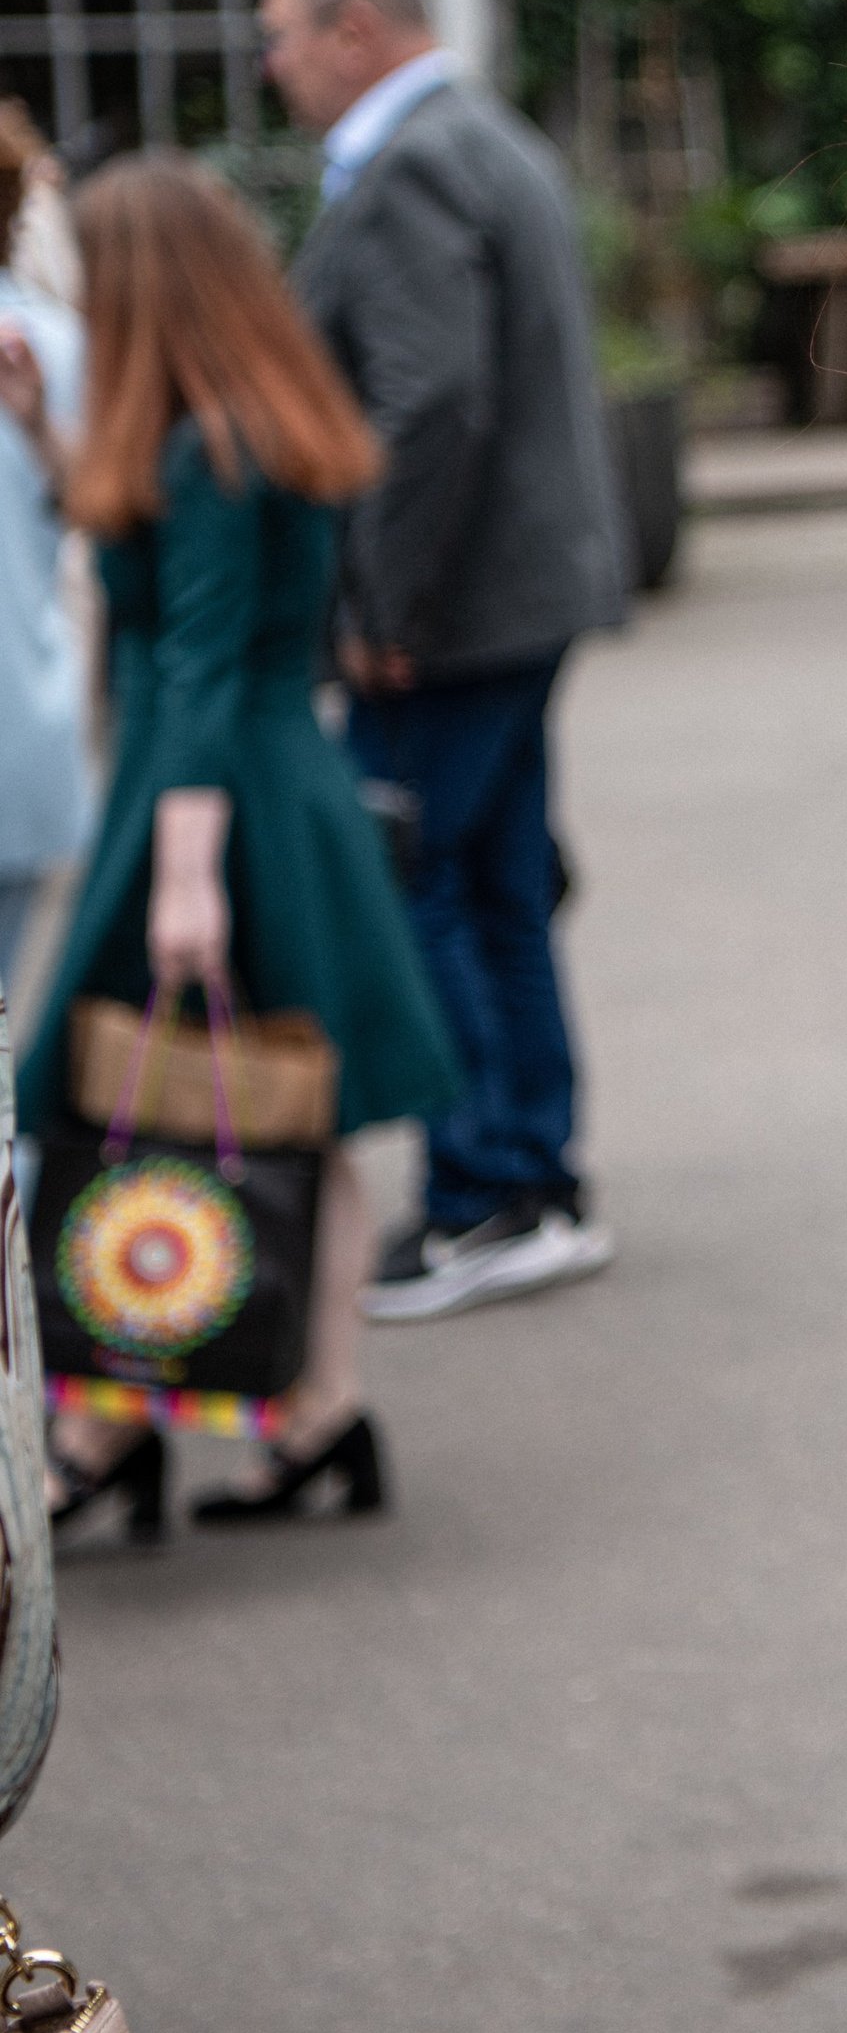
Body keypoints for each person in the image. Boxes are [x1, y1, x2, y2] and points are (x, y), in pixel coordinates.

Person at [20, 156, 460, 1534]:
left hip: (207, 799)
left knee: (96, 1102)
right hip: (274, 788)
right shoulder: (247, 414)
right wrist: (45, 436)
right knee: (285, 1113)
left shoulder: (199, 441)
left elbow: (195, 659)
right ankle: (318, 1414)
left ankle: (98, 1431)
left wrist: (188, 876)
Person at [259, 0, 623, 1321]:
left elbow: (426, 402)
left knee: (423, 879)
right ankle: (531, 1176)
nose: (273, 65)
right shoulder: (485, 135)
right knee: (498, 876)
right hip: (517, 592)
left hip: (449, 609)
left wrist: (377, 601)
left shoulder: (409, 164)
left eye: (282, 35)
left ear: (355, 26)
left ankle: (489, 1189)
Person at [0, 106, 92, 991]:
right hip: (23, 724)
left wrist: (35, 427)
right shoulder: (55, 339)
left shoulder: (48, 346)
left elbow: (103, 507)